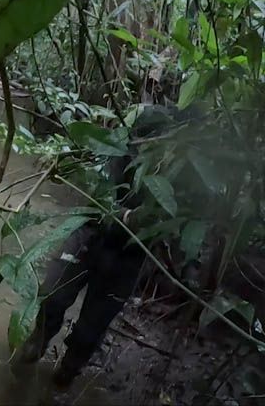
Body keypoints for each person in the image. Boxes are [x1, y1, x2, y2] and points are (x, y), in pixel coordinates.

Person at [13, 106, 179, 387]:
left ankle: (67, 371)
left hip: (129, 254)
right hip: (91, 234)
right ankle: (37, 342)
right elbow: (98, 195)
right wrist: (128, 217)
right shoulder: (116, 149)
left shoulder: (177, 173)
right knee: (53, 295)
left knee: (91, 329)